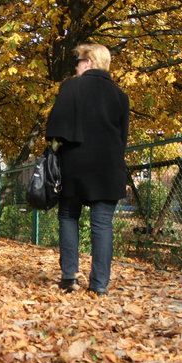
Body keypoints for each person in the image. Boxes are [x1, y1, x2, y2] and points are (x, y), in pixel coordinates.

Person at [45, 43, 130, 296]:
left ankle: (69, 277)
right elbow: (122, 139)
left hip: (75, 165)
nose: (76, 65)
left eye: (79, 60)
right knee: (102, 225)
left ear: (90, 61)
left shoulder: (72, 86)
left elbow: (55, 129)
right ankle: (99, 285)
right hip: (109, 168)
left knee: (69, 216)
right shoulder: (120, 96)